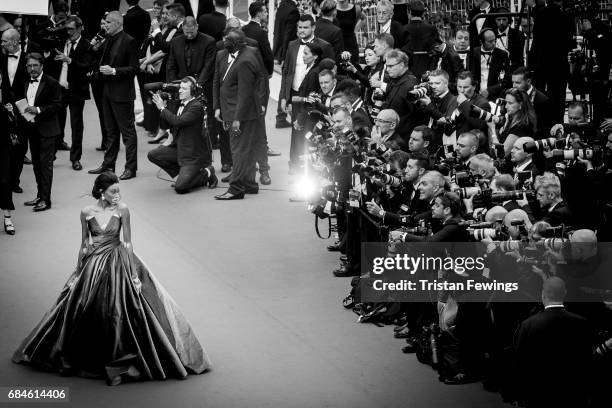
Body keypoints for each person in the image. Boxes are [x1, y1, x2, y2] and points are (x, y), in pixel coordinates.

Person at [12, 172, 211, 385]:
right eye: (113, 191)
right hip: (92, 265)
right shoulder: (86, 212)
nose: (117, 195)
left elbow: (127, 243)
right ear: (101, 192)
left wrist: (134, 275)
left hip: (118, 262)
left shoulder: (123, 210)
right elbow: (84, 244)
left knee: (123, 309)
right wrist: (77, 272)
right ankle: (80, 356)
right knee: (79, 306)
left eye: (119, 190)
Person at [514, 277, 593, 408]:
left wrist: (520, 394)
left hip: (539, 394)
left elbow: (520, 362)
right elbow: (587, 360)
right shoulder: (582, 323)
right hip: (574, 393)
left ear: (543, 294)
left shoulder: (528, 325)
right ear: (565, 293)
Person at [88, 11, 139, 181]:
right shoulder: (108, 38)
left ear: (117, 23)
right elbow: (99, 58)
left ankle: (131, 168)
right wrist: (94, 47)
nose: (105, 25)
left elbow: (134, 69)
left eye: (108, 22)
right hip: (107, 91)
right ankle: (109, 164)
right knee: (110, 132)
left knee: (128, 133)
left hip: (123, 93)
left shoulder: (129, 41)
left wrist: (114, 71)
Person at [213, 29, 263, 200]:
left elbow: (245, 93)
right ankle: (249, 184)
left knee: (239, 151)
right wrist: (217, 106)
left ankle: (236, 188)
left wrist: (237, 119)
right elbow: (217, 82)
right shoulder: (221, 54)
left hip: (242, 114)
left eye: (228, 40)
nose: (224, 41)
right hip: (228, 109)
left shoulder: (246, 61)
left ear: (238, 43)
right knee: (244, 149)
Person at [279, 14, 334, 172]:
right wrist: (284, 97)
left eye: (305, 27)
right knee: (296, 131)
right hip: (296, 95)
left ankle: (312, 165)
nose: (301, 31)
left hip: (313, 99)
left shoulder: (324, 46)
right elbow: (286, 72)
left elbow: (329, 72)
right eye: (299, 27)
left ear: (313, 28)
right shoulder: (292, 45)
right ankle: (294, 163)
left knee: (310, 132)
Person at [149, 77, 217, 194]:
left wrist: (162, 108)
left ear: (193, 91)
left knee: (180, 188)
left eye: (184, 89)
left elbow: (177, 122)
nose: (180, 91)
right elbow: (167, 125)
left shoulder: (196, 106)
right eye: (180, 88)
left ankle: (207, 173)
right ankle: (183, 175)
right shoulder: (177, 104)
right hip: (179, 149)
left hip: (192, 155)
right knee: (153, 155)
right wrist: (162, 109)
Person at [44, 16, 93, 171]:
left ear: (79, 28)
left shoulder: (86, 45)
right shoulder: (60, 42)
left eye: (71, 29)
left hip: (76, 90)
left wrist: (69, 60)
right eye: (67, 29)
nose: (69, 32)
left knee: (76, 125)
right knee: (56, 122)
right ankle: (51, 155)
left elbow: (87, 66)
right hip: (59, 89)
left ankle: (75, 158)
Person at [20, 53, 62, 213]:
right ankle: (40, 195)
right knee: (37, 164)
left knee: (45, 165)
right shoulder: (25, 81)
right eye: (29, 66)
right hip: (31, 129)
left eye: (35, 65)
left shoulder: (51, 83)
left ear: (42, 66)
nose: (32, 69)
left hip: (48, 130)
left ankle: (46, 199)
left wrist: (37, 109)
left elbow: (57, 105)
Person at [1, 28, 28, 194]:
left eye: (4, 41)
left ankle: (15, 181)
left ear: (14, 41)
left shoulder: (27, 59)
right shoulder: (1, 56)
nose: (2, 44)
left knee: (21, 145)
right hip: (3, 105)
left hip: (23, 106)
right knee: (5, 144)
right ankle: (5, 179)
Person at [490, 88, 537, 155]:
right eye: (506, 102)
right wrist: (496, 126)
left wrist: (492, 129)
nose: (506, 106)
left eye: (510, 103)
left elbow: (502, 153)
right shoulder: (510, 120)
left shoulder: (523, 126)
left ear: (521, 105)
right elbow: (497, 144)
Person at [467, 28, 510, 101]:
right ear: (481, 42)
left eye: (494, 40)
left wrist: (490, 91)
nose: (493, 43)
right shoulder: (473, 53)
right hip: (475, 94)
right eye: (490, 41)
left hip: (495, 95)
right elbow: (470, 74)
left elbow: (506, 79)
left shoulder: (502, 54)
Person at [401, 0, 438, 81]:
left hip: (408, 70)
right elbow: (436, 50)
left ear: (409, 12)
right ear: (423, 13)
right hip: (427, 69)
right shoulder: (432, 29)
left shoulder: (403, 29)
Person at [243, 1, 274, 76]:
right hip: (258, 71)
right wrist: (270, 72)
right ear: (258, 14)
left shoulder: (243, 29)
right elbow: (268, 55)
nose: (267, 14)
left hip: (244, 68)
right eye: (265, 11)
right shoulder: (261, 32)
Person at [0, 102, 15, 234]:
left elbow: (12, 127)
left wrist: (10, 113)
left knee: (5, 181)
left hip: (2, 147)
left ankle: (7, 218)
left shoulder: (3, 107)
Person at [494, 7, 524, 71]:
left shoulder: (518, 34)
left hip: (512, 69)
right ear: (495, 21)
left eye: (504, 19)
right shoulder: (491, 34)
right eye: (498, 20)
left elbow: (519, 58)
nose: (501, 22)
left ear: (509, 21)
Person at [335, 0, 363, 65]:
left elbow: (363, 19)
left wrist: (356, 30)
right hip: (338, 44)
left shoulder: (356, 9)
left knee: (354, 67)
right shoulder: (332, 9)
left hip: (351, 43)